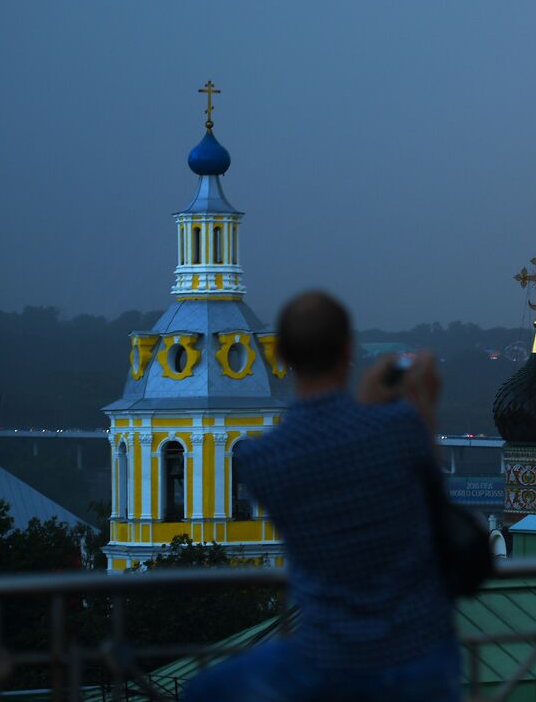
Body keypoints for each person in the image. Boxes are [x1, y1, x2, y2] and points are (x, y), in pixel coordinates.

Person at [183, 291, 459, 702]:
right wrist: (414, 403)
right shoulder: (398, 427)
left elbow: (329, 456)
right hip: (421, 655)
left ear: (281, 355)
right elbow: (431, 489)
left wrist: (364, 406)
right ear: (349, 349)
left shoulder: (263, 459)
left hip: (329, 659)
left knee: (202, 691)